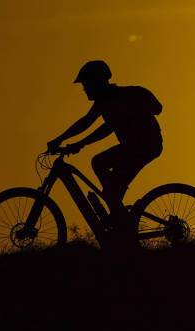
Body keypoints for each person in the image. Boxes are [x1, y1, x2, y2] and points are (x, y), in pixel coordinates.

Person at [47, 60, 163, 229]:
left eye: (86, 84)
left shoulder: (117, 98)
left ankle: (120, 217)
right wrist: (60, 138)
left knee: (101, 167)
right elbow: (85, 122)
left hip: (145, 146)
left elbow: (107, 128)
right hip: (133, 147)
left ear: (97, 82)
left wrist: (80, 143)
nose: (84, 89)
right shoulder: (103, 102)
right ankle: (117, 211)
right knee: (106, 178)